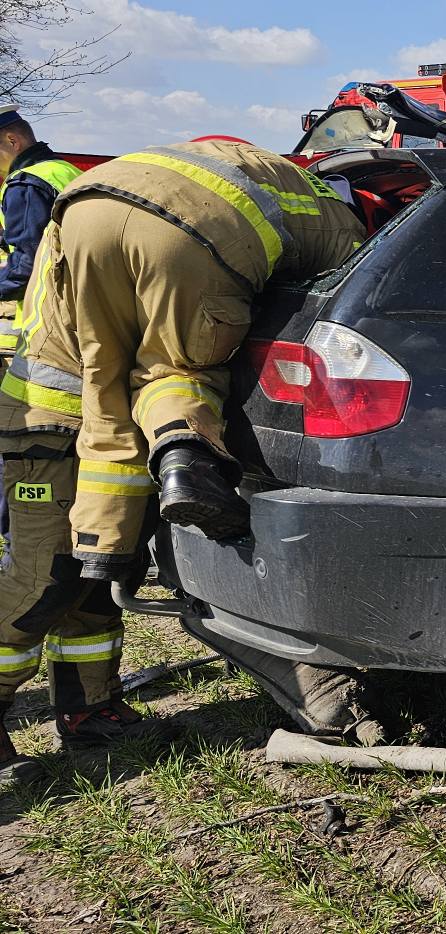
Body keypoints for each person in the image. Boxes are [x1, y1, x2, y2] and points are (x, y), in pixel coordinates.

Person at [35, 139, 362, 581]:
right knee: (177, 371)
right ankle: (189, 469)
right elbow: (351, 298)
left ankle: (102, 545)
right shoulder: (346, 224)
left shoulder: (269, 167)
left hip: (86, 207)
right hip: (186, 236)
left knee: (104, 381)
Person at [0, 218, 151, 791]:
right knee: (44, 575)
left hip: (102, 430)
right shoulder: (103, 237)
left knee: (97, 569)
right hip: (47, 426)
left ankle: (89, 711)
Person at [0, 105, 83, 358]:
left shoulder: (25, 182)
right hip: (79, 306)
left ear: (12, 141)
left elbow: (29, 260)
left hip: (49, 318)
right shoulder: (64, 170)